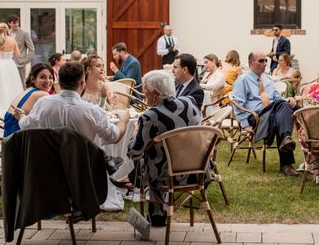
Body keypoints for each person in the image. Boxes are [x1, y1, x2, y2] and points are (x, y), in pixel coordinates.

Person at [128, 70, 202, 227]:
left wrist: (134, 132)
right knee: (160, 159)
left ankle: (157, 215)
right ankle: (158, 215)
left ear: (155, 93)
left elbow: (134, 153)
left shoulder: (150, 116)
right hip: (198, 172)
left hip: (168, 177)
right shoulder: (190, 102)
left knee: (148, 163)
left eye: (145, 89)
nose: (143, 93)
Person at [18, 62, 129, 145]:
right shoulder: (93, 111)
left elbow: (25, 125)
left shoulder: (43, 103)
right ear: (82, 83)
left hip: (50, 169)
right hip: (82, 170)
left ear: (60, 83)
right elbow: (114, 136)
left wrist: (21, 115)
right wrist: (123, 120)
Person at [232, 51, 298, 176]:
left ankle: (286, 139)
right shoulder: (243, 80)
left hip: (272, 112)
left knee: (285, 105)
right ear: (251, 63)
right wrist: (245, 125)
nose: (265, 63)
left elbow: (276, 97)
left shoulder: (267, 79)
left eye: (265, 60)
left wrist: (287, 100)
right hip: (256, 117)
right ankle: (286, 160)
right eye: (261, 61)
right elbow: (237, 104)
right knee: (285, 108)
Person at [3, 63, 55, 137]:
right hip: (19, 140)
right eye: (42, 77)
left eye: (50, 77)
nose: (48, 81)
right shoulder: (42, 94)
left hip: (8, 138)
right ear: (33, 79)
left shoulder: (29, 90)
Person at [0, 23, 25, 116]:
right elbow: (18, 55)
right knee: (11, 85)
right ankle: (12, 107)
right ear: (7, 30)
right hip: (10, 65)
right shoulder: (13, 41)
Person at [7, 14, 35, 85]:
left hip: (20, 64)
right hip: (7, 63)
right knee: (9, 84)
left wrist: (25, 61)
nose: (16, 24)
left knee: (21, 84)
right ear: (9, 23)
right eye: (14, 23)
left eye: (17, 22)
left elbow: (32, 49)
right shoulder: (6, 33)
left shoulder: (24, 33)